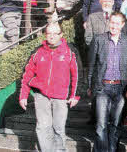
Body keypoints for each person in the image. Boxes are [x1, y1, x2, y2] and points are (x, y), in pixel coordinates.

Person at [19, 22, 81, 152]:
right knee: (42, 127)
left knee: (58, 128)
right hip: (41, 95)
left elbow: (77, 74)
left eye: (55, 33)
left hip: (61, 96)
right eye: (49, 33)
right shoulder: (38, 51)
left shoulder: (70, 51)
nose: (52, 36)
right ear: (45, 35)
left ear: (61, 35)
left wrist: (75, 95)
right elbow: (27, 74)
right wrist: (23, 95)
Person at [87, 12, 127, 152]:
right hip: (103, 86)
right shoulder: (99, 39)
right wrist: (90, 85)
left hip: (121, 88)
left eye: (117, 23)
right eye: (112, 22)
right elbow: (91, 64)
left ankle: (112, 149)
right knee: (101, 125)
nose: (114, 26)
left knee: (116, 123)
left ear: (122, 25)